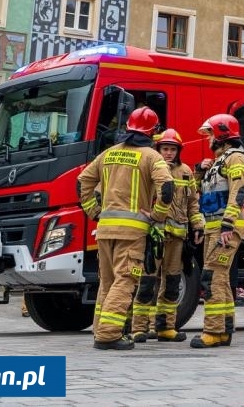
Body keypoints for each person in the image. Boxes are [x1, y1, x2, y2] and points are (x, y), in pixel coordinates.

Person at [77, 106, 175, 350]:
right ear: (152, 132)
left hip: (105, 228)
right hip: (132, 232)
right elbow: (167, 188)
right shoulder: (152, 157)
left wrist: (93, 211)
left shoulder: (108, 154)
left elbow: (82, 182)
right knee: (126, 280)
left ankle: (100, 330)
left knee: (107, 282)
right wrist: (157, 216)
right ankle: (109, 335)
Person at [131, 128, 204, 343]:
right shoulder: (149, 168)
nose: (169, 153)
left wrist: (198, 226)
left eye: (172, 149)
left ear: (178, 151)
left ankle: (164, 327)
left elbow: (193, 203)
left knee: (172, 282)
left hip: (177, 236)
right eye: (165, 148)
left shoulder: (186, 172)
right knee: (146, 282)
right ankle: (138, 328)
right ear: (158, 149)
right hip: (154, 235)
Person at [192, 113, 244, 348]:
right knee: (221, 278)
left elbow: (240, 192)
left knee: (212, 277)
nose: (208, 140)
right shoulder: (219, 162)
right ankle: (225, 329)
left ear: (221, 135)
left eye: (210, 135)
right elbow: (198, 192)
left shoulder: (235, 158)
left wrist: (227, 225)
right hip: (213, 228)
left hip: (225, 229)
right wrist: (199, 170)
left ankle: (213, 331)